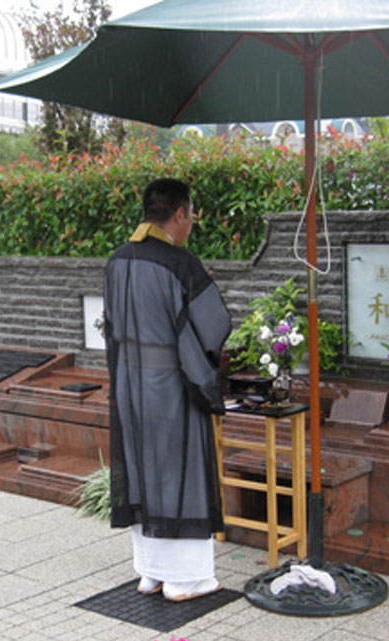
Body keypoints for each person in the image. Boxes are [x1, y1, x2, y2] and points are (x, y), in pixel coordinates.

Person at [103, 178, 232, 602]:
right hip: (172, 384)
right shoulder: (180, 263)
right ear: (180, 214)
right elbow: (213, 327)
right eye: (191, 213)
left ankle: (150, 573)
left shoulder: (117, 260)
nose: (192, 221)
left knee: (145, 470)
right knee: (181, 471)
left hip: (129, 384)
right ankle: (184, 579)